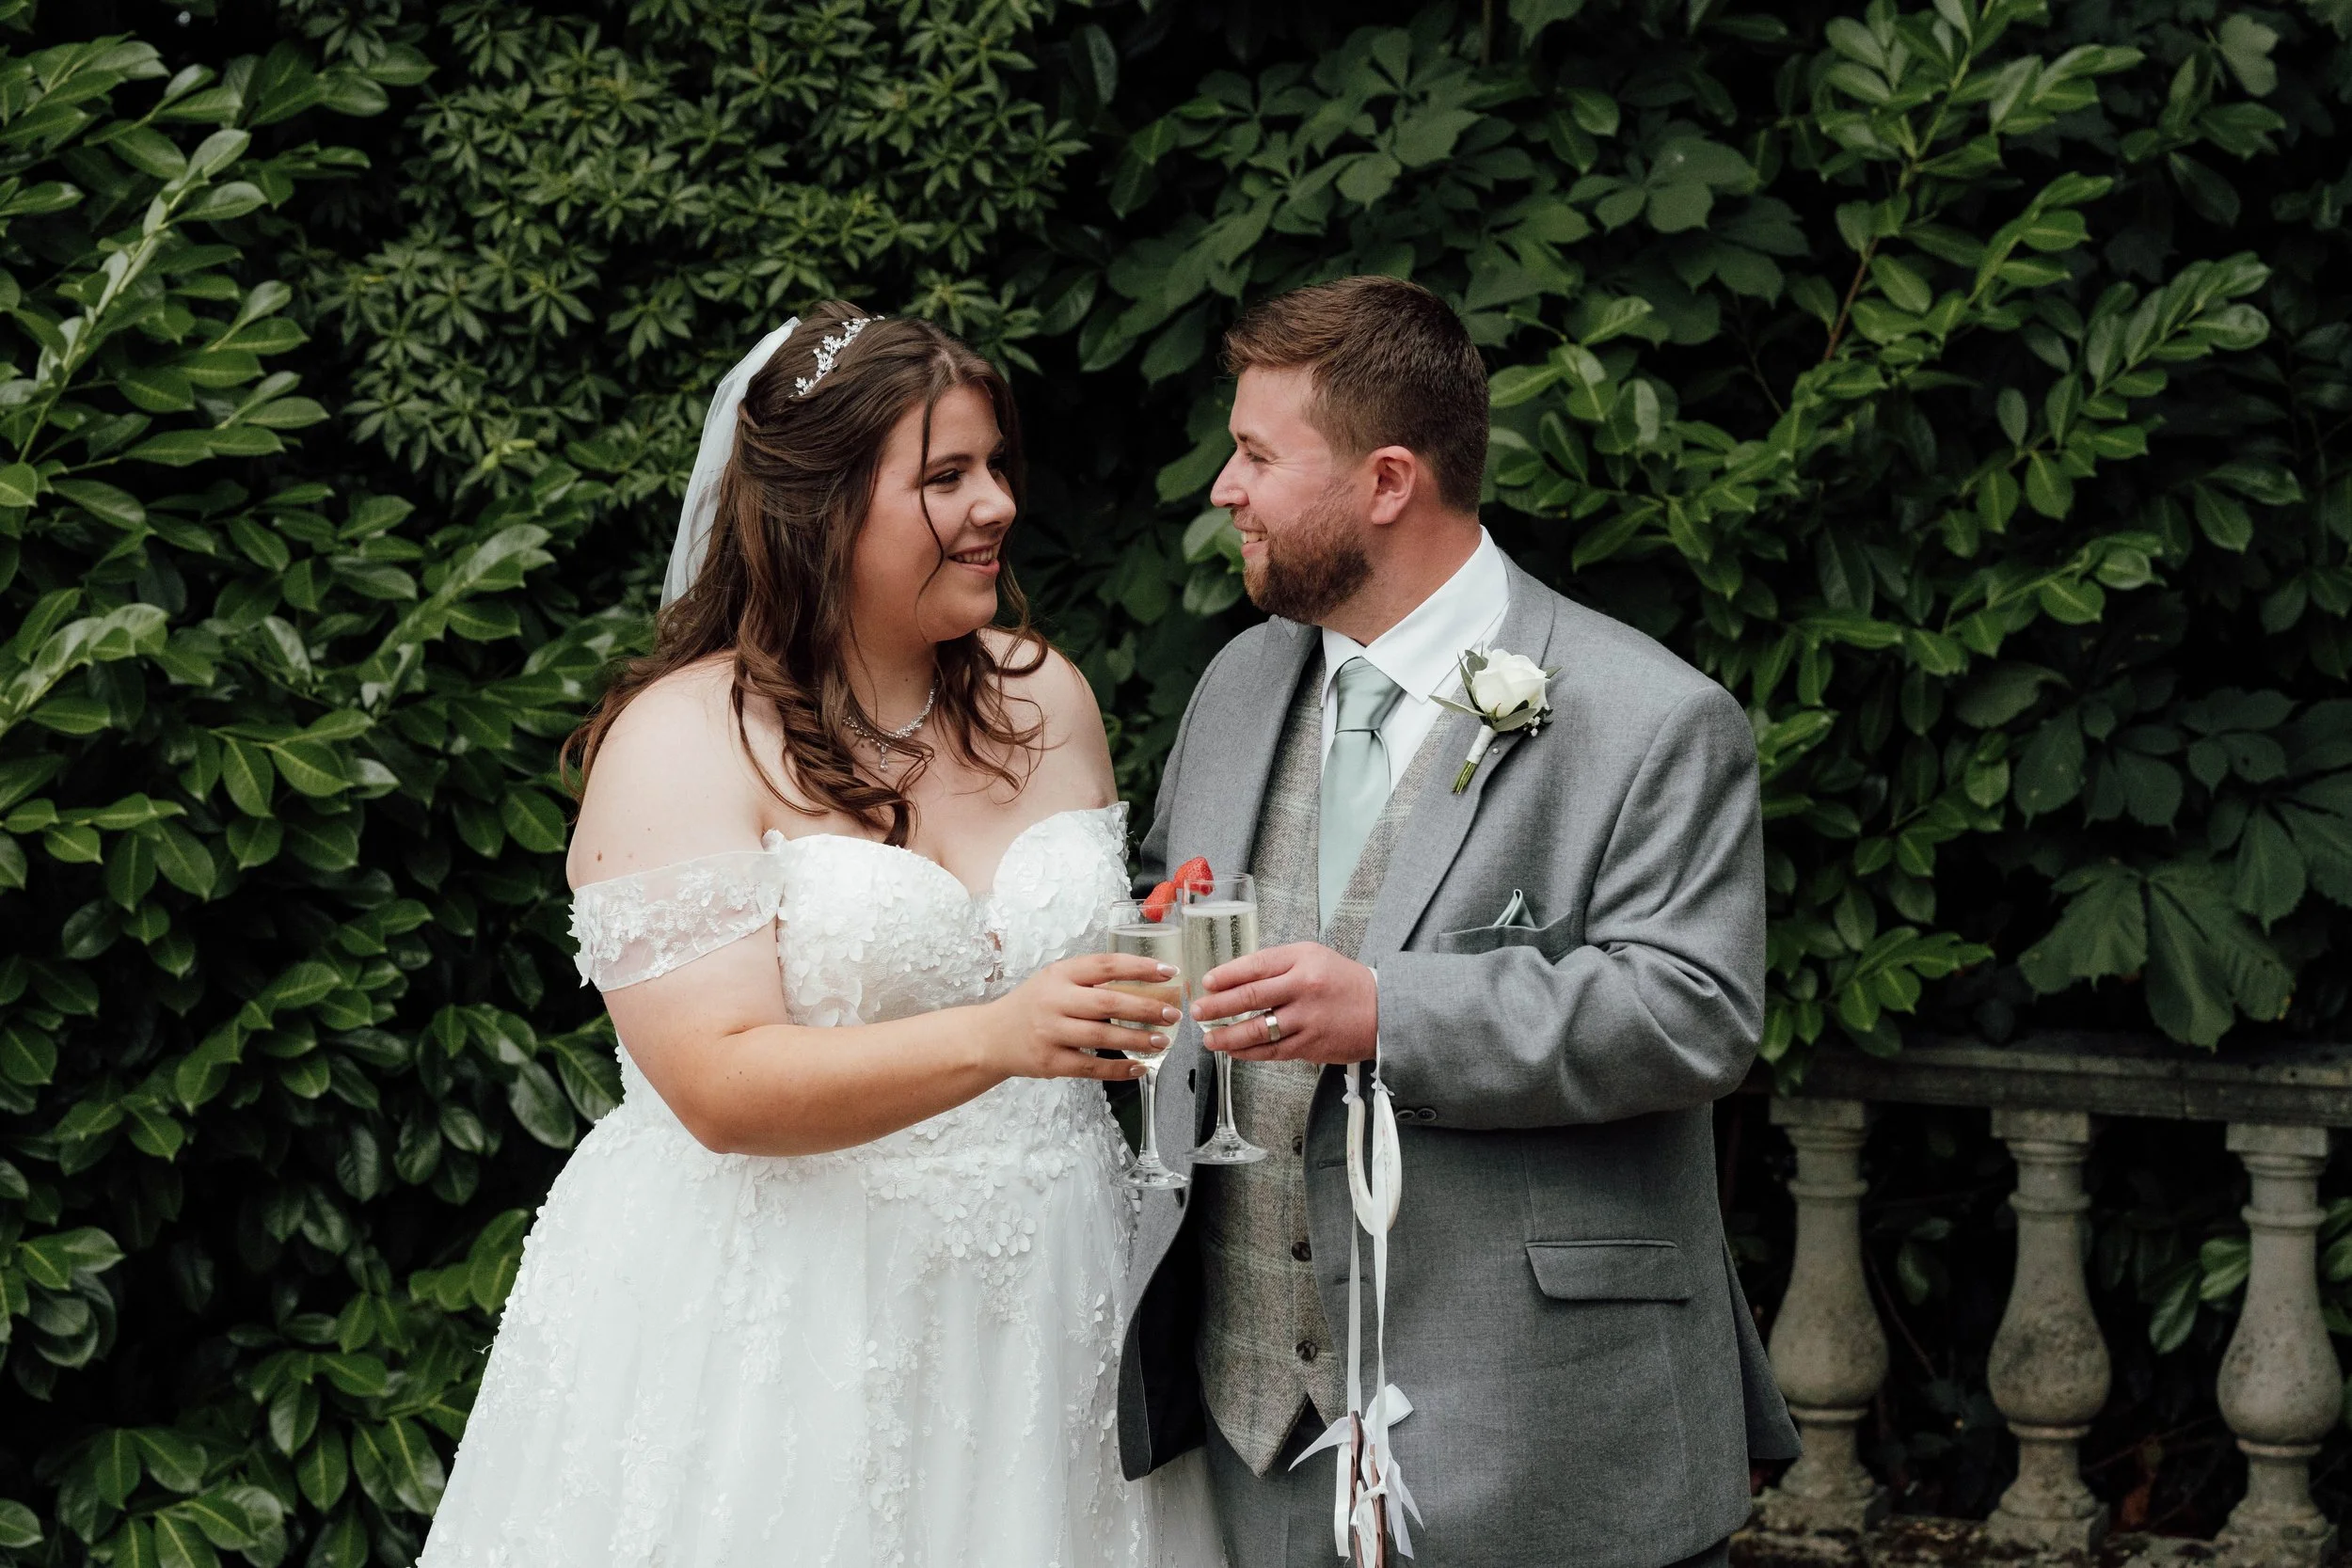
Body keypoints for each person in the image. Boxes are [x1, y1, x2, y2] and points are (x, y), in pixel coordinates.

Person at [418, 302, 1223, 1568]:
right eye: (946, 476)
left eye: (996, 465)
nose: (998, 503)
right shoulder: (684, 738)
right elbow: (721, 1084)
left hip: (1054, 1302)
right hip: (792, 1317)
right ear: (824, 508)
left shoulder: (1045, 696)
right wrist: (1006, 1033)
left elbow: (1087, 995)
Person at [1119, 276, 1801, 1567]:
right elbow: (1171, 897)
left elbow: (1694, 1010)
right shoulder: (1236, 682)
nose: (1225, 487)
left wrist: (1389, 1011)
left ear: (1386, 481)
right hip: (1255, 1433)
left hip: (1544, 1437)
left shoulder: (1650, 715)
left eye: (1259, 455)